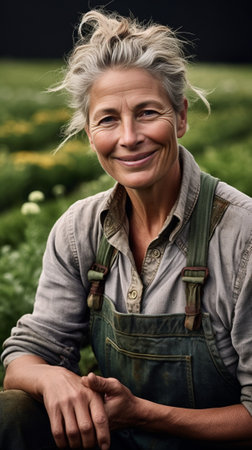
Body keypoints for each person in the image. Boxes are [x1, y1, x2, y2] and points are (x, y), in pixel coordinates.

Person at [1, 9, 252, 450]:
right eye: (108, 119)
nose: (129, 137)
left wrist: (144, 414)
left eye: (147, 112)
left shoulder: (241, 236)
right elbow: (24, 357)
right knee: (12, 411)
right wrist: (53, 377)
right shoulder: (80, 230)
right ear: (89, 132)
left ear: (181, 117)